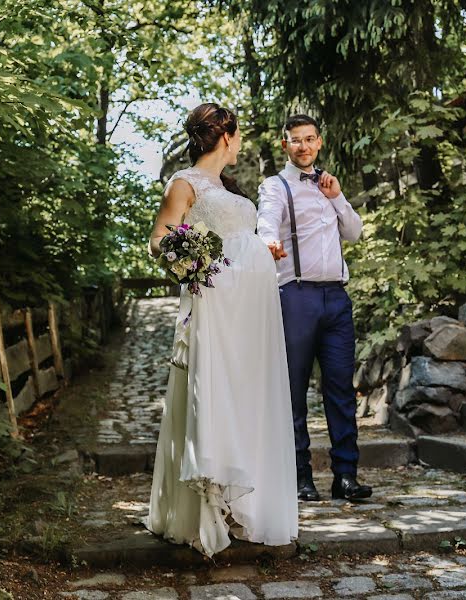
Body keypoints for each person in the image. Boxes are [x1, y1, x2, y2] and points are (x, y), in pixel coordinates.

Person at [144, 103, 298, 557]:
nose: (241, 142)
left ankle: (243, 505)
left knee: (249, 393)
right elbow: (158, 239)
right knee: (216, 391)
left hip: (250, 307)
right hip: (215, 304)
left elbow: (236, 238)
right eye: (238, 134)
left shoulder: (226, 187)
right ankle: (208, 507)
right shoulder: (184, 183)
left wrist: (260, 247)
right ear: (225, 135)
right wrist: (190, 256)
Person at [256, 114, 372, 502]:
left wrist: (336, 196)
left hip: (337, 298)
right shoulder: (276, 186)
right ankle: (299, 476)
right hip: (297, 297)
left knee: (340, 389)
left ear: (319, 142)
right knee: (293, 391)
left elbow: (354, 232)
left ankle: (345, 476)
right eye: (295, 140)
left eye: (309, 139)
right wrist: (269, 242)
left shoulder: (329, 185)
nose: (303, 147)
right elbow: (267, 220)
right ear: (284, 144)